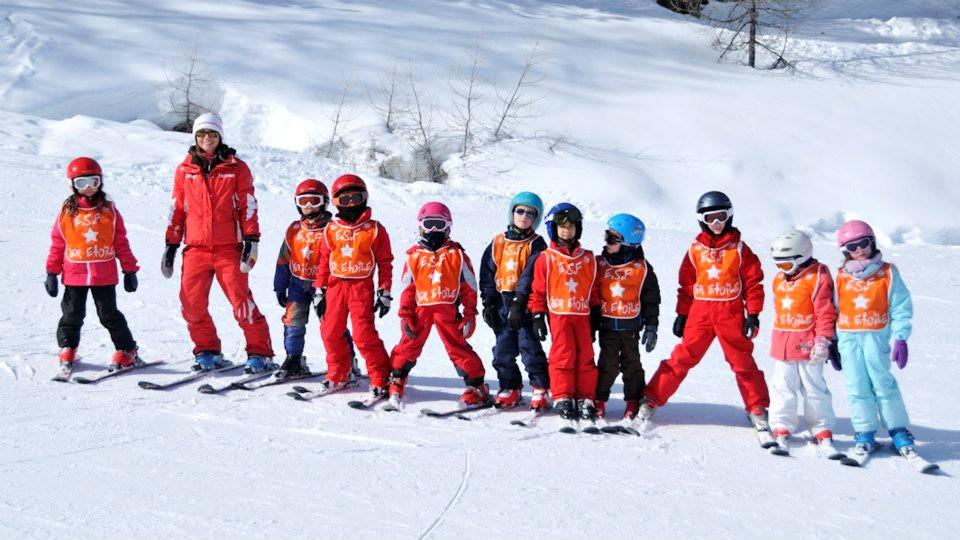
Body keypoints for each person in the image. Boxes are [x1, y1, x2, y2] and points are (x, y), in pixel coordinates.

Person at [640, 191, 770, 434]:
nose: (717, 224)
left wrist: (752, 314)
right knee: (681, 358)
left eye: (721, 217)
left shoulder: (740, 250)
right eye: (711, 219)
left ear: (729, 216)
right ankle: (651, 399)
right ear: (702, 220)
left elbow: (754, 283)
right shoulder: (695, 250)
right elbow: (686, 285)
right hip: (700, 313)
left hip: (730, 312)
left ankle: (757, 407)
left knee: (742, 361)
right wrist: (682, 314)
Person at [162, 112, 275, 372]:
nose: (207, 138)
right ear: (195, 137)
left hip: (228, 250)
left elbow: (248, 205)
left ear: (220, 136)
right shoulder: (185, 169)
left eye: (212, 133)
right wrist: (171, 244)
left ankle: (261, 353)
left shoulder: (237, 168)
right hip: (196, 249)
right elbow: (177, 208)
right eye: (202, 134)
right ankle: (207, 350)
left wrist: (252, 239)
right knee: (191, 305)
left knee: (241, 304)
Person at [834, 220, 920, 459]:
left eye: (863, 243)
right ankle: (864, 432)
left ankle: (898, 430)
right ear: (845, 251)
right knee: (856, 386)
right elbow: (834, 307)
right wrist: (832, 340)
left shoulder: (887, 272)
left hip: (875, 336)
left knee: (882, 383)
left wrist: (901, 338)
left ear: (872, 241)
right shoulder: (841, 275)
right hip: (848, 338)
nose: (859, 250)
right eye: (852, 247)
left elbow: (901, 305)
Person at [388, 202, 488, 407]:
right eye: (429, 224)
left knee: (457, 346)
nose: (433, 230)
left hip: (447, 310)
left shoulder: (457, 254)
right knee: (409, 343)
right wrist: (405, 314)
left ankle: (477, 385)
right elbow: (408, 287)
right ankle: (397, 377)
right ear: (420, 226)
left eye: (439, 225)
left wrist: (469, 313)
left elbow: (469, 286)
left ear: (448, 226)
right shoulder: (414, 256)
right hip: (420, 311)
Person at [45, 157, 141, 372]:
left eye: (93, 182)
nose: (88, 188)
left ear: (101, 182)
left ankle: (127, 350)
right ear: (72, 184)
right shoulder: (67, 212)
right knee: (71, 315)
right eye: (81, 183)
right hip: (74, 274)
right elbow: (58, 242)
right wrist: (52, 272)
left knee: (109, 314)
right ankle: (68, 346)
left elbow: (120, 241)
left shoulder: (109, 210)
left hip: (103, 275)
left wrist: (129, 269)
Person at [313, 174, 393, 398]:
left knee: (363, 334)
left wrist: (384, 291)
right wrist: (319, 290)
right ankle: (339, 371)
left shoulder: (375, 229)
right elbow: (324, 261)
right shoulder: (331, 229)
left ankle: (380, 376)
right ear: (336, 202)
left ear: (364, 198)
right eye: (345, 200)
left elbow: (385, 263)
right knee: (330, 331)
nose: (351, 205)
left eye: (355, 198)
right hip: (335, 287)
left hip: (361, 288)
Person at [273, 178, 356, 377]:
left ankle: (347, 360)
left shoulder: (334, 228)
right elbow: (284, 258)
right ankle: (294, 359)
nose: (309, 207)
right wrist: (279, 286)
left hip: (326, 287)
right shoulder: (294, 229)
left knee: (332, 326)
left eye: (314, 200)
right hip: (297, 284)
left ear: (325, 202)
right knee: (293, 323)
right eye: (303, 202)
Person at [768, 230, 840, 457]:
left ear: (802, 257)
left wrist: (823, 341)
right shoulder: (780, 279)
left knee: (814, 389)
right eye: (778, 265)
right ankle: (781, 426)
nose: (781, 270)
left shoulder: (818, 277)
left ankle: (822, 428)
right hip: (783, 344)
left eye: (786, 265)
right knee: (782, 387)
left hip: (809, 346)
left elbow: (825, 312)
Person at [527, 203, 601, 425]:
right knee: (562, 356)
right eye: (562, 227)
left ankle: (586, 396)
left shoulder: (588, 258)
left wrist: (597, 310)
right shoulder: (546, 258)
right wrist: (538, 315)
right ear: (553, 229)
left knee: (585, 356)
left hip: (582, 315)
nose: (567, 231)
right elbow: (538, 290)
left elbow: (594, 287)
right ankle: (562, 395)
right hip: (559, 315)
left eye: (571, 227)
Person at [478, 192, 550, 411]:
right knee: (502, 350)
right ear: (512, 212)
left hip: (525, 305)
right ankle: (510, 386)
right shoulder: (499, 241)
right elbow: (488, 272)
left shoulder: (537, 244)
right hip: (502, 302)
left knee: (529, 348)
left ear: (536, 219)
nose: (524, 216)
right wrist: (488, 302)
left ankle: (540, 388)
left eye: (530, 213)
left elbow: (531, 275)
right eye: (520, 211)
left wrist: (520, 303)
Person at [594, 213, 661, 423]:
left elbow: (651, 299)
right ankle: (599, 400)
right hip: (607, 327)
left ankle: (633, 401)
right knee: (607, 365)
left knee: (632, 366)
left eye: (612, 239)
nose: (606, 242)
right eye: (606, 236)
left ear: (627, 244)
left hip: (631, 328)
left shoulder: (642, 268)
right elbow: (589, 293)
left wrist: (651, 326)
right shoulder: (599, 263)